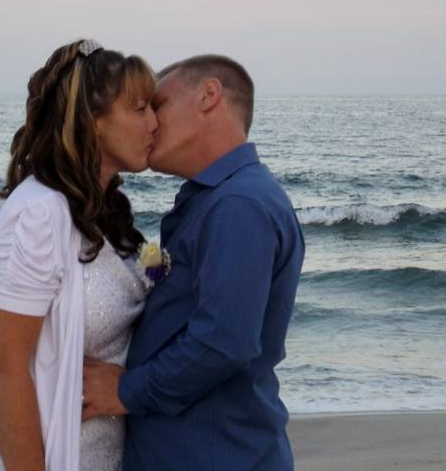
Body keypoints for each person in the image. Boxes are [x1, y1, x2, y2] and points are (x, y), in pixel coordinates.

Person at [83, 55, 306, 470]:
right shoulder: (216, 199)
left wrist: (126, 391)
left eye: (159, 104)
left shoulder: (238, 205)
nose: (149, 122)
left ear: (209, 96)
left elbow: (224, 342)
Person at [0, 39, 159, 471]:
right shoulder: (39, 212)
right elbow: (2, 365)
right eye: (141, 108)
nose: (155, 123)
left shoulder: (105, 215)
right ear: (95, 122)